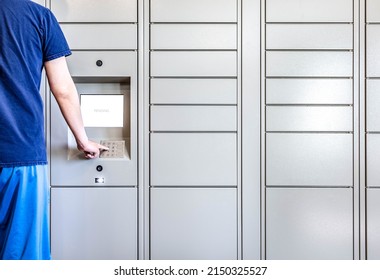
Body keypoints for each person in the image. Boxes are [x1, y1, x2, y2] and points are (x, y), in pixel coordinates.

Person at [0, 0, 108, 259]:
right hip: (22, 155)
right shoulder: (39, 17)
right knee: (23, 257)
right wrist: (83, 140)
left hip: (21, 154)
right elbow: (62, 89)